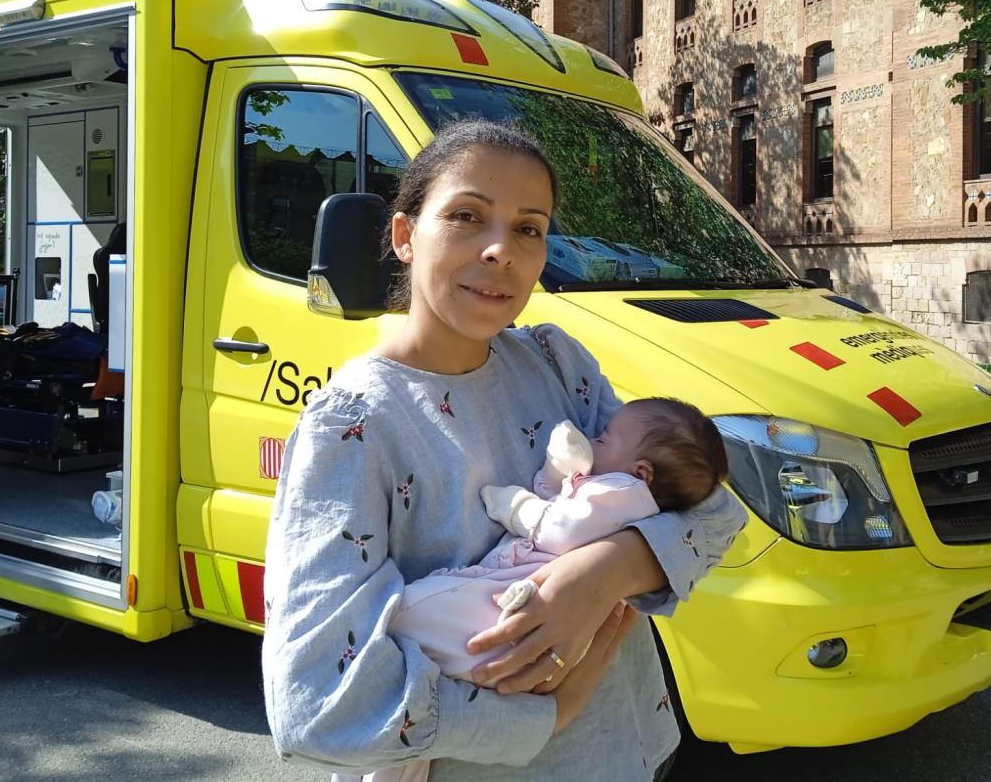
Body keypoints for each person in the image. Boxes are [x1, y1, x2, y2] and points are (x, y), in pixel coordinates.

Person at [262, 120, 747, 782]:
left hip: (636, 751)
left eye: (529, 228)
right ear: (404, 236)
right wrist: (543, 717)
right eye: (467, 216)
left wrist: (605, 571)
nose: (501, 250)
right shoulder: (352, 428)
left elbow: (713, 508)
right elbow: (316, 703)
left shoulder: (557, 363)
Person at [382, 401, 730, 686]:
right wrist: (558, 467)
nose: (593, 441)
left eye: (603, 440)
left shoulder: (622, 493)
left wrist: (515, 506)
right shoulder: (618, 489)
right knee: (440, 623)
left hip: (526, 594)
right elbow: (557, 498)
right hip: (527, 605)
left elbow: (558, 529)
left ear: (641, 472)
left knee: (412, 614)